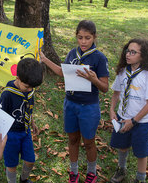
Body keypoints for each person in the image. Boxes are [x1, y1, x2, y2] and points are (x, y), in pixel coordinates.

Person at [40, 20, 109, 183]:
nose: (83, 42)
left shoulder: (99, 58)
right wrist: (44, 59)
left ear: (94, 37)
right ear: (76, 37)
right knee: (72, 139)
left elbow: (105, 88)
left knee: (89, 142)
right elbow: (61, 72)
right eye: (80, 37)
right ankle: (74, 171)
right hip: (70, 104)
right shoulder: (72, 54)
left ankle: (92, 172)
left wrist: (94, 79)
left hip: (89, 107)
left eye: (87, 38)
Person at [109, 39, 148, 183]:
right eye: (127, 51)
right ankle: (121, 169)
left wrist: (133, 120)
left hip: (141, 121)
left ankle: (140, 178)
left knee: (141, 152)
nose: (128, 54)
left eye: (133, 52)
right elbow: (116, 93)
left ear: (143, 56)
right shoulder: (122, 72)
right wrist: (112, 110)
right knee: (122, 145)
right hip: (121, 117)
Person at [0, 58, 43, 183]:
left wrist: (32, 122)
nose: (30, 90)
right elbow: (0, 116)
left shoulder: (29, 91)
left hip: (25, 131)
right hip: (10, 134)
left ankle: (23, 179)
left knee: (30, 160)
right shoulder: (7, 94)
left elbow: (29, 109)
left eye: (33, 88)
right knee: (12, 165)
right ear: (17, 78)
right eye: (27, 86)